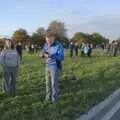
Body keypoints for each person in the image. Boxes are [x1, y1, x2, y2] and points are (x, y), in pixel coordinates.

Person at [40, 30, 64, 103]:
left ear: (53, 38)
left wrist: (51, 55)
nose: (48, 42)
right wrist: (41, 55)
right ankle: (47, 97)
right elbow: (42, 52)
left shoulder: (58, 45)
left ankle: (54, 99)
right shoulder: (45, 45)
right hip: (47, 66)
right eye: (47, 40)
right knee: (47, 83)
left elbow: (61, 57)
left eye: (50, 40)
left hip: (55, 66)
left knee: (54, 83)